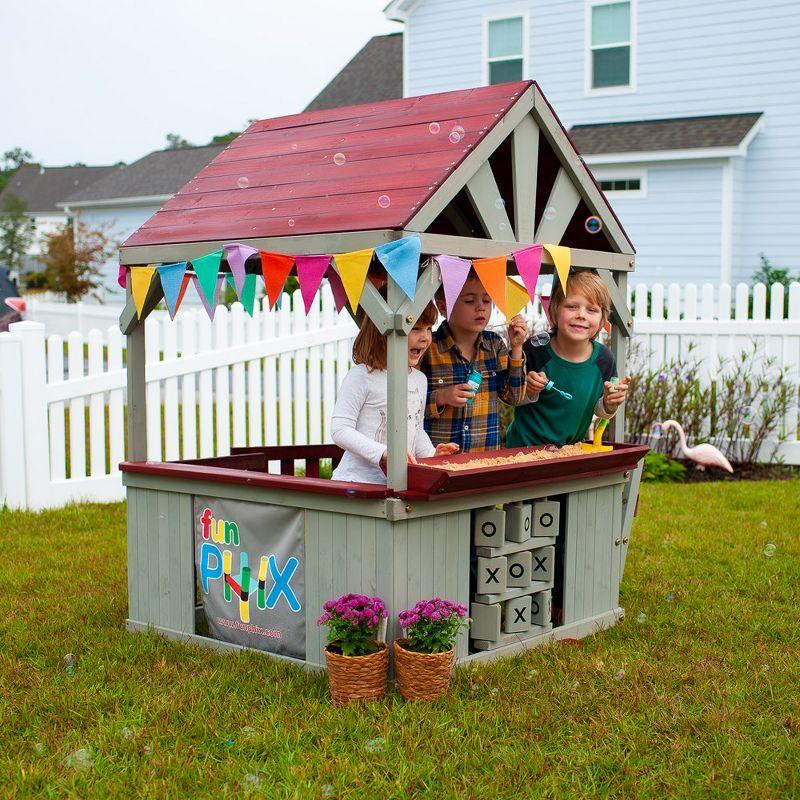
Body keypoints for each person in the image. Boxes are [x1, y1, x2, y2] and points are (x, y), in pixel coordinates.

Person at [331, 301, 459, 485]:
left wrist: (432, 454)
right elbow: (340, 429)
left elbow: (416, 428)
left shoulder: (419, 380)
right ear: (382, 331)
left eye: (429, 328)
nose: (425, 337)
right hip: (356, 483)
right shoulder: (361, 376)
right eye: (415, 328)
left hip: (398, 484)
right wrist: (384, 452)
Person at [505, 271, 630, 448]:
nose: (581, 315)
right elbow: (511, 397)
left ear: (603, 319)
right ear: (555, 309)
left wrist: (609, 404)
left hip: (570, 451)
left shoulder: (604, 359)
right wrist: (530, 389)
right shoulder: (535, 349)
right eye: (572, 307)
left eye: (592, 310)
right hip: (524, 451)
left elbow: (599, 409)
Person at [420, 271, 528, 452]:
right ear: (443, 307)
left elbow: (514, 396)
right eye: (469, 301)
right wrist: (441, 397)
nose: (481, 307)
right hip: (439, 458)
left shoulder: (494, 345)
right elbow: (407, 407)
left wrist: (516, 348)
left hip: (486, 458)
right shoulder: (428, 348)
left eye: (487, 300)